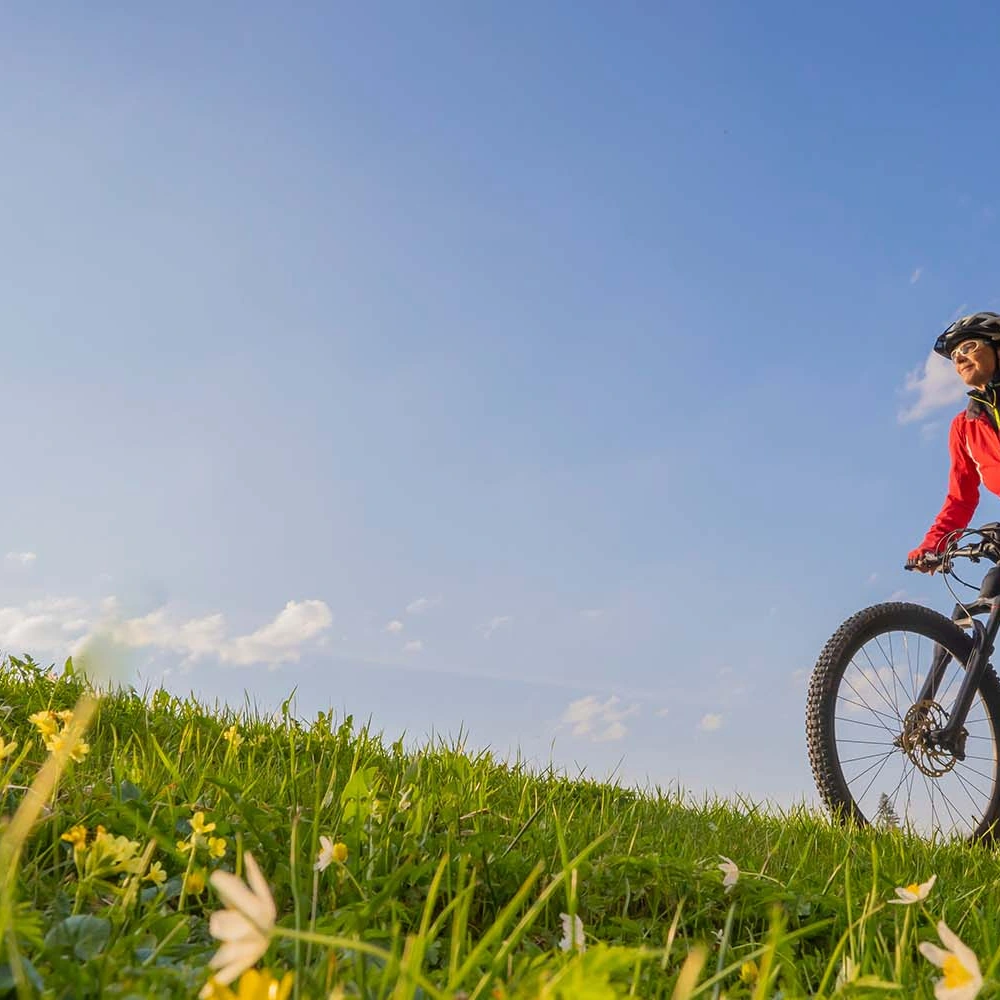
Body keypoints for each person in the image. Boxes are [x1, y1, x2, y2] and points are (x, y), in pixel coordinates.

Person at [908, 311, 1000, 572]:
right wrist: (934, 545)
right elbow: (961, 499)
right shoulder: (964, 427)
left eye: (969, 346)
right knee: (993, 587)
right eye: (955, 355)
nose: (959, 357)